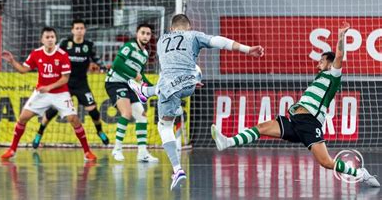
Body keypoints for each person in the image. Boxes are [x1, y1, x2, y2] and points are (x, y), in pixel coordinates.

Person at [210, 22, 380, 187]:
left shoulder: (333, 78)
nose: (317, 64)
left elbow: (340, 56)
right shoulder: (318, 79)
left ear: (330, 63)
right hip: (294, 121)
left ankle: (360, 173)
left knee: (326, 162)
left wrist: (341, 35)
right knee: (262, 127)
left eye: (321, 61)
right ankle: (227, 142)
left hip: (309, 123)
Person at [128, 14, 264, 190]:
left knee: (164, 127)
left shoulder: (162, 40)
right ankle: (149, 92)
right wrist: (247, 49)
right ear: (189, 27)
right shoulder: (193, 35)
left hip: (170, 87)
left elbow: (170, 65)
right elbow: (219, 41)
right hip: (189, 84)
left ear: (171, 29)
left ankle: (177, 169)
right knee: (193, 70)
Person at [0, 26, 97, 162]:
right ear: (42, 40)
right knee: (23, 118)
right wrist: (12, 61)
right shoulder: (36, 53)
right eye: (47, 37)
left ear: (55, 39)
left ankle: (87, 152)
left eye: (52, 37)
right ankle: (12, 150)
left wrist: (49, 87)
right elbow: (23, 70)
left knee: (73, 119)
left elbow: (65, 79)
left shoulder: (62, 55)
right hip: (42, 94)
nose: (50, 39)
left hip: (60, 93)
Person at [32, 19, 110, 148]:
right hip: (64, 83)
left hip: (81, 84)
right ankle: (39, 133)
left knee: (93, 111)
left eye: (81, 28)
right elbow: (53, 55)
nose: (79, 31)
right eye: (77, 28)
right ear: (72, 30)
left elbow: (96, 59)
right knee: (52, 111)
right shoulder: (64, 43)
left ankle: (100, 131)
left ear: (84, 30)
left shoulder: (89, 45)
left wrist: (104, 68)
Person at [105, 23, 158, 163]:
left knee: (142, 116)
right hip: (114, 82)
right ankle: (117, 149)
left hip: (128, 84)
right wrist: (135, 75)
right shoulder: (129, 46)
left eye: (148, 34)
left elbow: (141, 75)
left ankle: (142, 153)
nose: (145, 36)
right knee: (127, 113)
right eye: (143, 33)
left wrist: (153, 88)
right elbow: (116, 64)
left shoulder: (145, 54)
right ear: (137, 34)